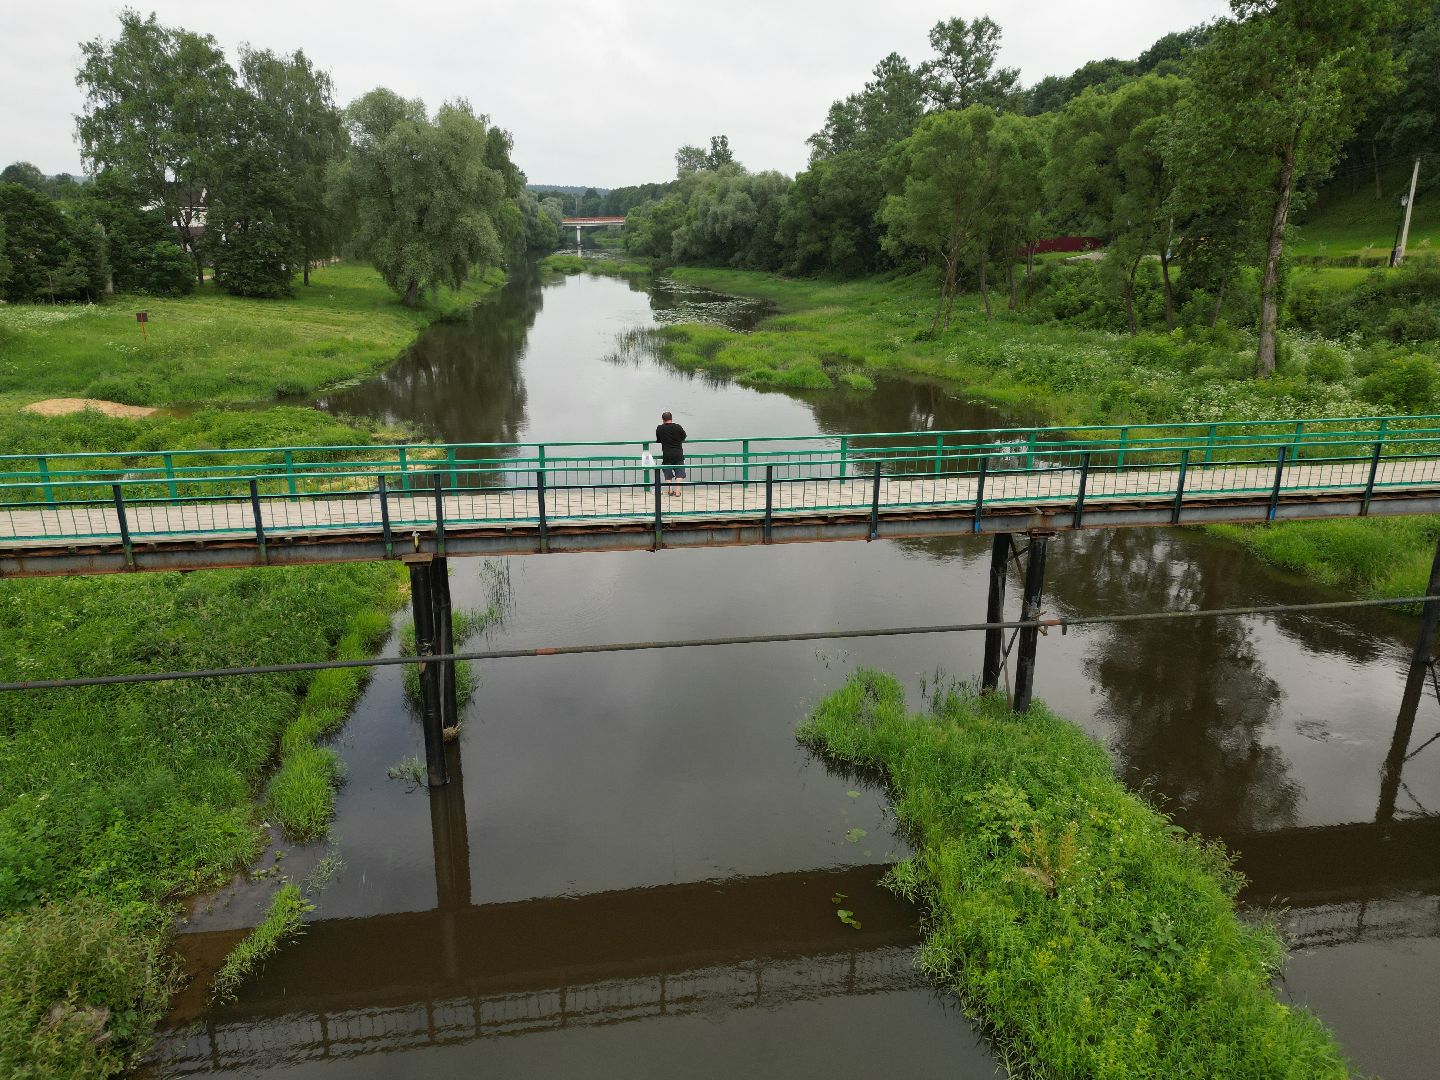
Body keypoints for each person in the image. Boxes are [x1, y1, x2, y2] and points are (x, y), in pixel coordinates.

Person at [655, 410, 687, 496]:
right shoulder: (678, 427)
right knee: (679, 472)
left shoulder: (659, 428)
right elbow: (684, 437)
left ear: (663, 419)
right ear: (671, 418)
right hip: (678, 454)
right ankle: (677, 492)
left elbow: (658, 440)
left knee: (667, 471)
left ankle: (670, 490)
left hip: (667, 454)